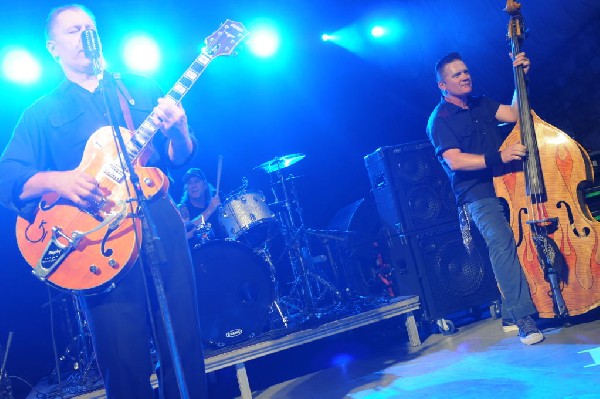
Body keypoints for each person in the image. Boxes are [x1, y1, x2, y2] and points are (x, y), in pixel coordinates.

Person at [0, 4, 207, 398]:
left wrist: (179, 129)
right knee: (123, 361)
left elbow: (179, 158)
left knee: (183, 345)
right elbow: (6, 177)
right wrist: (57, 180)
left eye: (90, 28)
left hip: (159, 223)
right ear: (53, 47)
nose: (84, 36)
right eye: (74, 30)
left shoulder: (140, 87)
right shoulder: (40, 113)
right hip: (96, 242)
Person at [426, 51, 544, 345]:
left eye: (466, 71)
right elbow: (456, 161)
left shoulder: (482, 103)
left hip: (508, 182)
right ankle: (523, 318)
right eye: (456, 74)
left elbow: (516, 114)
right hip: (476, 191)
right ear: (443, 85)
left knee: (524, 238)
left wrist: (521, 78)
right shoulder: (440, 120)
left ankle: (508, 310)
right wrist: (499, 155)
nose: (465, 76)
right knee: (502, 242)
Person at [178, 168, 223, 247]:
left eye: (196, 181)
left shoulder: (215, 204)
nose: (193, 186)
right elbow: (184, 235)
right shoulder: (183, 209)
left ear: (205, 185)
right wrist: (209, 210)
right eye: (189, 183)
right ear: (186, 188)